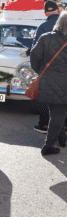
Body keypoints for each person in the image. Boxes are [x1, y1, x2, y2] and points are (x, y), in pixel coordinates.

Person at [30, 12, 67, 155]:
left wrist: (40, 71)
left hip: (47, 81)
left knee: (56, 113)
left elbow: (34, 55)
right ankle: (48, 146)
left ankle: (62, 138)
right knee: (59, 114)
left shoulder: (46, 38)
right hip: (65, 84)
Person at [30, 1, 62, 133]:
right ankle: (63, 126)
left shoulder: (42, 27)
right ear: (58, 11)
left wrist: (39, 69)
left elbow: (35, 51)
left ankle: (44, 124)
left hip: (46, 68)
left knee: (44, 97)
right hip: (64, 70)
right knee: (63, 97)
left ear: (45, 13)